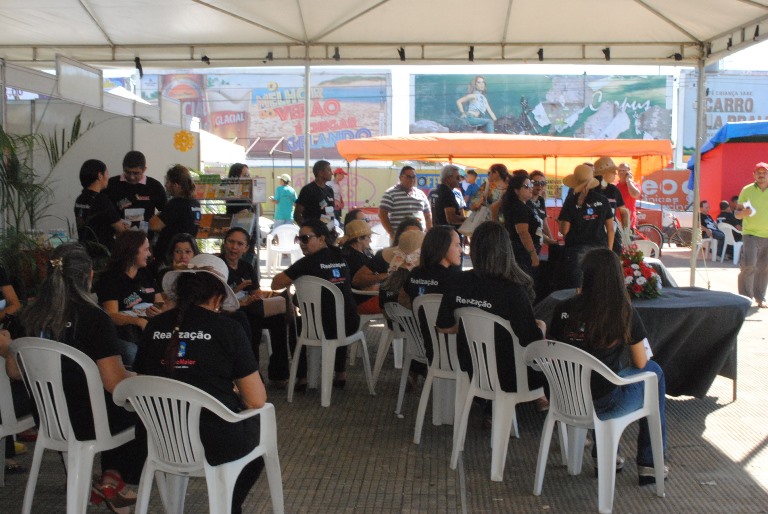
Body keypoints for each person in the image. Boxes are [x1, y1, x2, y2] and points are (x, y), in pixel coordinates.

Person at [135, 254, 266, 514]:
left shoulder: (154, 326)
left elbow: (142, 380)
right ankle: (228, 507)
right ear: (218, 297)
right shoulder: (228, 329)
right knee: (258, 439)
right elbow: (256, 400)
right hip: (214, 440)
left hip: (157, 437)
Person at [18, 243, 145, 512]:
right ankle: (115, 478)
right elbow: (114, 382)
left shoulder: (29, 316)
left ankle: (103, 480)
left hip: (49, 418)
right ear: (89, 276)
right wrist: (139, 378)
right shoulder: (94, 318)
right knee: (142, 409)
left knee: (104, 401)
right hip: (88, 422)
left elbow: (13, 371)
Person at [548, 248, 668, 484]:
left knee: (599, 372)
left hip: (566, 398)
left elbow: (553, 349)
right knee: (654, 372)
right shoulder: (622, 311)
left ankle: (606, 456)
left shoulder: (563, 308)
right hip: (605, 402)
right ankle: (650, 463)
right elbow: (641, 362)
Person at [435, 221, 547, 410]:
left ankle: (491, 410)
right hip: (510, 376)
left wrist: (473, 327)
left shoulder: (458, 282)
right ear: (506, 250)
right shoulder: (513, 290)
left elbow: (443, 327)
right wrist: (541, 328)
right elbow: (530, 342)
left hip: (471, 368)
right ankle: (540, 398)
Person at [271, 219, 360, 388]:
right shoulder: (341, 255)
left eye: (305, 238)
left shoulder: (307, 263)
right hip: (351, 323)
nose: (301, 243)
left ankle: (302, 377)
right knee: (339, 312)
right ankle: (340, 373)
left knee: (297, 324)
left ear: (321, 239)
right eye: (299, 239)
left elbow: (275, 284)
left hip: (321, 328)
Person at [219, 227, 294, 387]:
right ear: (225, 243)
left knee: (278, 319)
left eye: (239, 244)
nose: (234, 247)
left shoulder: (246, 267)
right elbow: (214, 297)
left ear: (246, 248)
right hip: (227, 311)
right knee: (251, 319)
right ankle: (252, 374)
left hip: (249, 308)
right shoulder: (218, 265)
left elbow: (256, 292)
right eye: (231, 242)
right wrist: (237, 293)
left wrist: (254, 297)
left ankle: (279, 373)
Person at [95, 230, 164, 365]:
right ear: (132, 251)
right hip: (124, 335)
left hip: (149, 330)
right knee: (132, 352)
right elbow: (112, 315)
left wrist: (156, 311)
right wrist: (137, 321)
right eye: (146, 250)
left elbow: (160, 301)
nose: (149, 254)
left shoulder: (146, 274)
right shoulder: (110, 279)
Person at [557, 164, 614, 289]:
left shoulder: (570, 202)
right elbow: (610, 229)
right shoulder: (603, 200)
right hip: (600, 247)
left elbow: (564, 230)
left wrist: (561, 222)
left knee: (577, 287)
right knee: (598, 285)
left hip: (576, 250)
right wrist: (609, 250)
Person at [149, 164, 201, 262]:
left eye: (168, 182)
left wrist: (157, 215)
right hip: (188, 252)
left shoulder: (176, 204)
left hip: (171, 254)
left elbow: (153, 225)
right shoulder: (196, 204)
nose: (165, 185)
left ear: (176, 185)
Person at [74, 159, 128, 253]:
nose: (108, 177)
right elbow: (120, 228)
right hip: (102, 252)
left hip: (85, 250)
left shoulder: (80, 199)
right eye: (107, 173)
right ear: (100, 175)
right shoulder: (102, 200)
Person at [105, 150, 167, 231]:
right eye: (127, 172)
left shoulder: (154, 186)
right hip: (117, 235)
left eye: (136, 173)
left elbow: (165, 211)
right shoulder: (111, 184)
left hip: (145, 236)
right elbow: (104, 210)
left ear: (144, 169)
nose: (132, 177)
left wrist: (155, 224)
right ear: (123, 168)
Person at [735, 162, 768, 308]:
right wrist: (743, 213)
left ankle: (760, 298)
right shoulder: (747, 190)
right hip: (750, 234)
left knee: (764, 268)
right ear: (753, 175)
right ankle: (745, 298)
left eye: (764, 172)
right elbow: (737, 214)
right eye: (758, 172)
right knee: (749, 266)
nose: (761, 175)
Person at [339, 220, 384, 314]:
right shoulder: (356, 258)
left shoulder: (346, 253)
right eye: (368, 237)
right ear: (359, 239)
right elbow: (370, 287)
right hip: (362, 300)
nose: (370, 241)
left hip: (352, 300)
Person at [501, 173, 542, 276]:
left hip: (524, 251)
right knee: (525, 279)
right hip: (522, 252)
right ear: (516, 190)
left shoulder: (525, 205)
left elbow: (534, 229)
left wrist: (549, 240)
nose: (530, 188)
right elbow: (523, 232)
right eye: (526, 186)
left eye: (531, 185)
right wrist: (533, 254)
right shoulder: (518, 207)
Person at [378, 166, 432, 242]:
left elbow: (428, 216)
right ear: (401, 178)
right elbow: (382, 215)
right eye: (409, 177)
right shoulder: (390, 193)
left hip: (419, 238)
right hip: (399, 238)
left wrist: (428, 234)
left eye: (414, 177)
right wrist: (392, 233)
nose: (412, 179)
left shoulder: (421, 194)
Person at [593, 157, 630, 254]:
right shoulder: (591, 190)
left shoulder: (614, 190)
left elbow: (624, 212)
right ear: (604, 173)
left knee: (615, 256)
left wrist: (626, 231)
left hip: (613, 232)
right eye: (613, 172)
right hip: (594, 233)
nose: (615, 174)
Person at [294, 160, 336, 232]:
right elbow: (297, 215)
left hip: (329, 233)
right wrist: (308, 231)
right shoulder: (308, 190)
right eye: (329, 170)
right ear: (320, 173)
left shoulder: (329, 190)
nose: (332, 173)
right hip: (314, 234)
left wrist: (332, 229)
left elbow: (330, 212)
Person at [429, 164, 466, 231]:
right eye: (458, 177)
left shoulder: (434, 191)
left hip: (436, 230)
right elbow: (451, 219)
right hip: (448, 233)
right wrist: (469, 220)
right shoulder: (447, 192)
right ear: (449, 178)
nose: (460, 180)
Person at [529, 170, 556, 246]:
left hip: (537, 244)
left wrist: (552, 241)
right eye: (536, 183)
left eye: (543, 183)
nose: (540, 186)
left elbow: (544, 224)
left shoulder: (541, 200)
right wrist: (550, 241)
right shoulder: (526, 201)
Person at [617, 162, 642, 230]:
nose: (621, 172)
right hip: (616, 223)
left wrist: (628, 181)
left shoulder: (635, 185)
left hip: (628, 223)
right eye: (619, 170)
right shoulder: (615, 186)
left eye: (623, 170)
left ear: (629, 172)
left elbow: (635, 195)